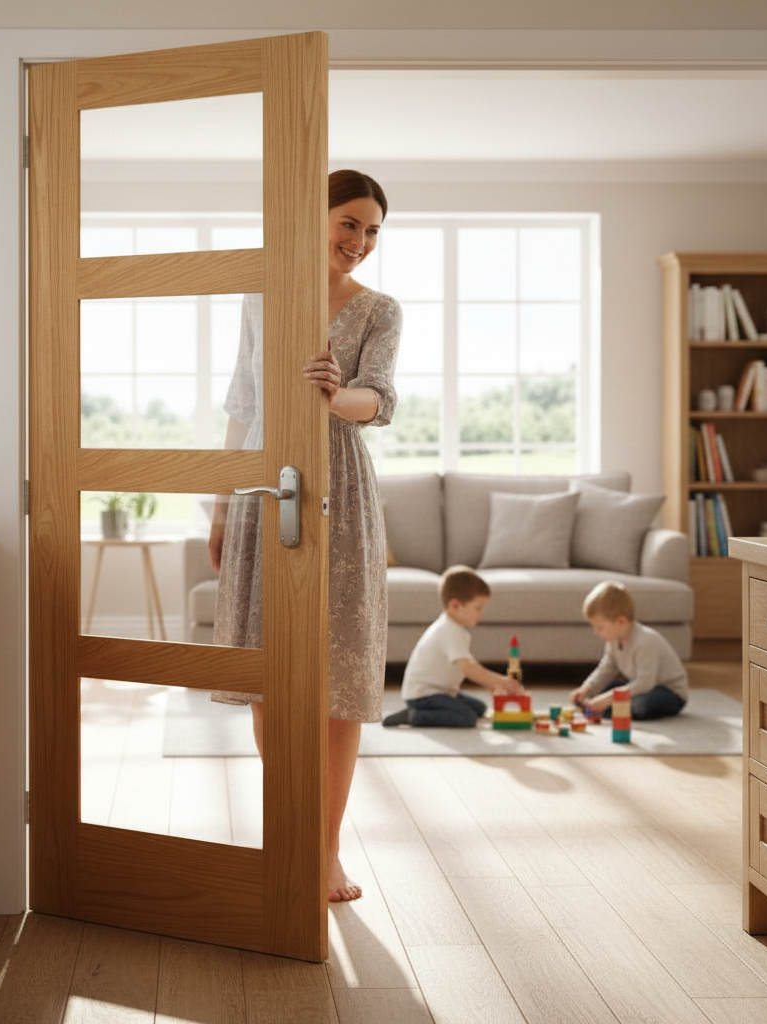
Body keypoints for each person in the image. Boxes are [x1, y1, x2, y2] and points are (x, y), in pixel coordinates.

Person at [208, 169, 402, 903]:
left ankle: (323, 854)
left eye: (373, 230)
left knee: (340, 680)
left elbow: (377, 402)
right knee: (270, 667)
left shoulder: (379, 310)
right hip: (264, 488)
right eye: (350, 223)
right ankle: (288, 836)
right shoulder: (261, 297)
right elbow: (241, 400)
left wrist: (334, 391)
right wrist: (223, 508)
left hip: (339, 492)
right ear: (315, 216)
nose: (360, 242)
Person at [382, 566, 525, 728]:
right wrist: (501, 681)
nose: (482, 613)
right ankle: (413, 715)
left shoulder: (456, 630)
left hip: (442, 692)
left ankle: (429, 710)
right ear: (455, 605)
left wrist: (492, 684)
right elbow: (468, 668)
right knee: (466, 717)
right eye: (477, 608)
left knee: (480, 708)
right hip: (423, 695)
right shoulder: (449, 631)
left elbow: (470, 666)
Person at [569, 581, 688, 719]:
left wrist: (607, 699)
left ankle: (609, 709)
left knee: (640, 704)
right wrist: (586, 688)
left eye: (600, 627)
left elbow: (645, 683)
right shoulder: (613, 640)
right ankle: (608, 708)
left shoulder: (646, 641)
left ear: (621, 622)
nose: (596, 632)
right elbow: (605, 670)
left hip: (668, 692)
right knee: (607, 688)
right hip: (643, 687)